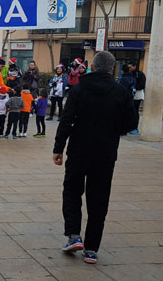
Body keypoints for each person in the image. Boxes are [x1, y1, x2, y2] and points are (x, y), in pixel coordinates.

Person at [53, 51, 137, 265]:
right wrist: (112, 128)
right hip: (106, 153)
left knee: (72, 190)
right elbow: (131, 123)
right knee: (99, 198)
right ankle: (91, 249)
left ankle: (73, 235)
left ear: (93, 67)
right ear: (112, 68)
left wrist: (58, 148)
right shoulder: (120, 92)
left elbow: (66, 120)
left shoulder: (80, 89)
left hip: (79, 150)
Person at [128, 61, 146, 135]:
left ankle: (135, 127)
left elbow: (142, 85)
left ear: (134, 66)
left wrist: (134, 87)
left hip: (137, 95)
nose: (129, 68)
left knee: (135, 111)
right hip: (130, 95)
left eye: (130, 67)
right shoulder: (130, 74)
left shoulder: (140, 74)